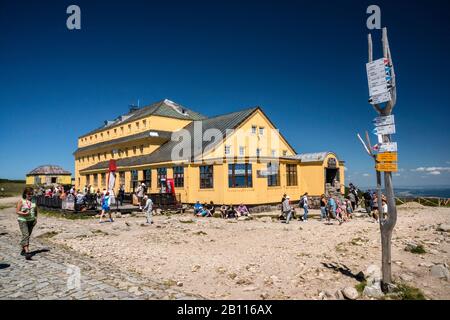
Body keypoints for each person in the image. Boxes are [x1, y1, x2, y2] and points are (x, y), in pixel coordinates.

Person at [16, 187, 37, 260]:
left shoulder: (34, 201)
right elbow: (17, 211)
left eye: (31, 194)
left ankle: (23, 249)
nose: (30, 195)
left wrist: (35, 218)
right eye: (28, 194)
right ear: (25, 194)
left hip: (31, 220)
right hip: (23, 220)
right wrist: (24, 214)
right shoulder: (21, 201)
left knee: (27, 236)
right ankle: (27, 252)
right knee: (26, 235)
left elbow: (35, 210)